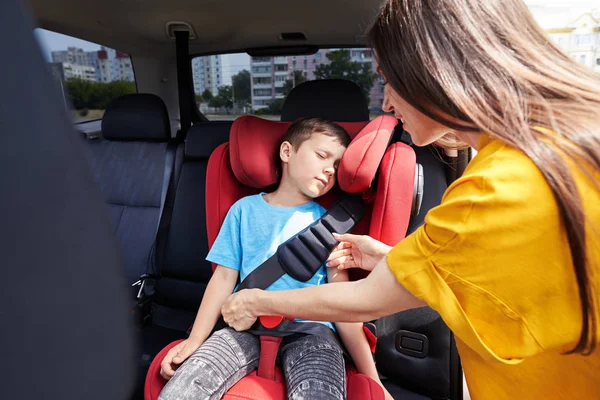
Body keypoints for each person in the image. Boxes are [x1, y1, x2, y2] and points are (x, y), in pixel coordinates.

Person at [221, 0, 600, 399]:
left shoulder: (495, 188)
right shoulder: (553, 152)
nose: (385, 102)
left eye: (389, 78)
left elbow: (366, 299)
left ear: (432, 70)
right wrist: (389, 257)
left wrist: (255, 300)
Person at [158, 117, 393, 400]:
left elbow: (341, 303)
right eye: (322, 156)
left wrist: (373, 378)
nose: (329, 170)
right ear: (286, 153)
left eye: (337, 166)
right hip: (243, 327)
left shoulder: (333, 225)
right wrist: (195, 340)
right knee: (180, 390)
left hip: (312, 333)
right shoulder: (243, 211)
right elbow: (222, 279)